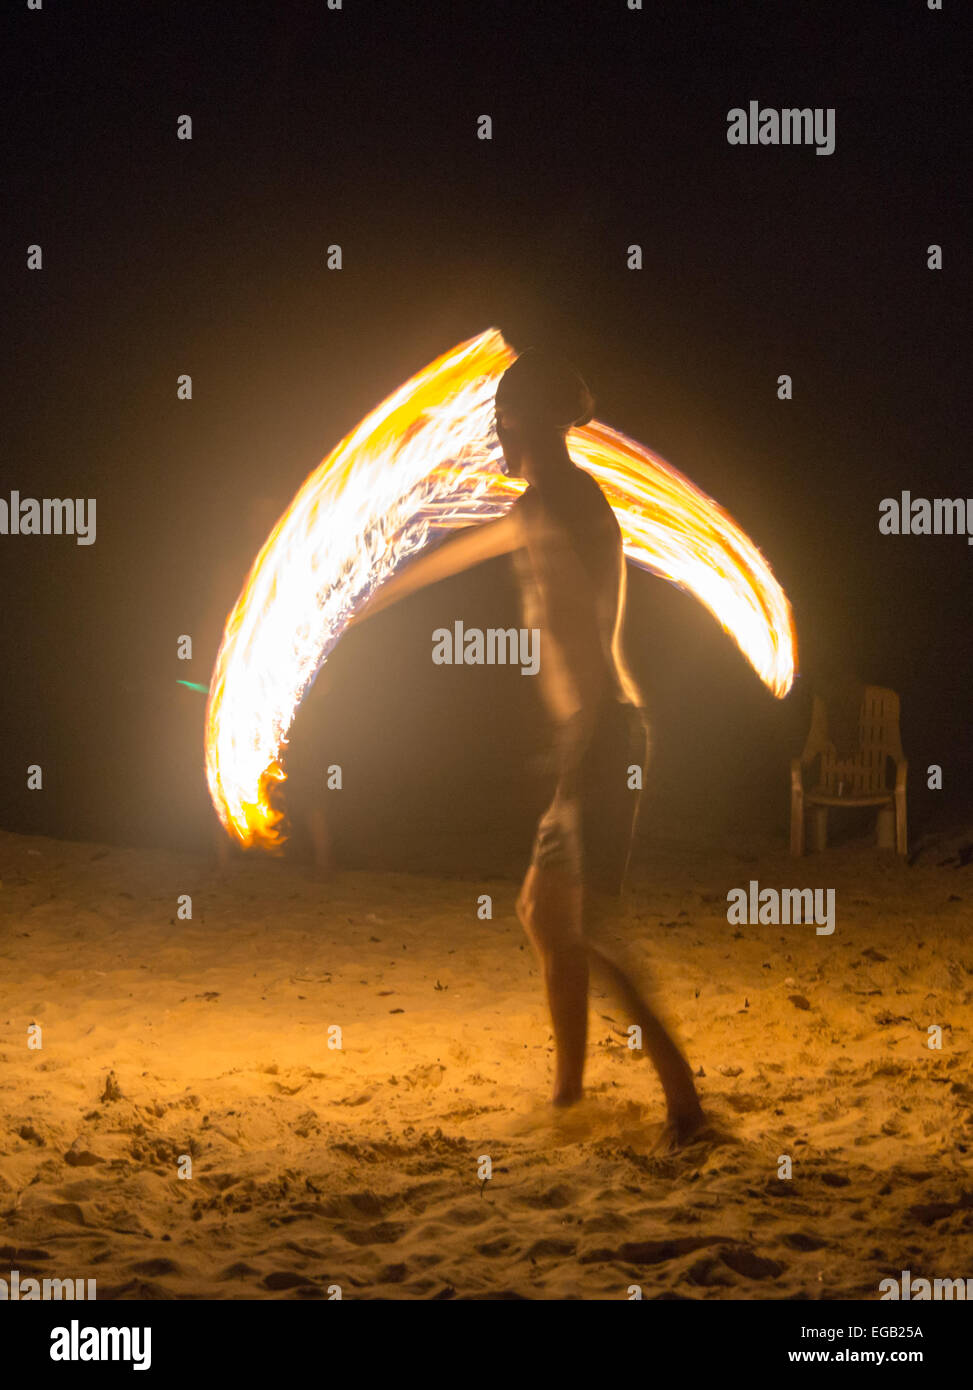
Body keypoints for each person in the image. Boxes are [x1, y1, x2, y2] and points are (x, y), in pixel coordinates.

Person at [354, 349, 704, 1142]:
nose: (492, 435)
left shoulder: (574, 501)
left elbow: (569, 566)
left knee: (593, 924)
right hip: (593, 740)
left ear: (522, 421)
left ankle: (684, 1101)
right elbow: (457, 554)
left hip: (606, 736)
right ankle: (570, 1098)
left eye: (502, 419)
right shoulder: (546, 504)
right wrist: (362, 597)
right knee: (545, 916)